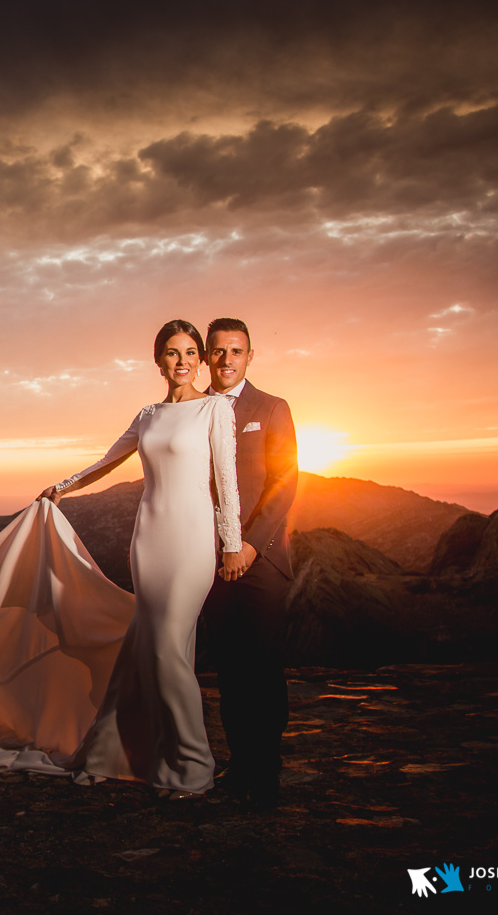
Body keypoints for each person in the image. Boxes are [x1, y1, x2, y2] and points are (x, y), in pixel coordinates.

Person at [0, 319, 242, 798]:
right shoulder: (147, 415)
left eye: (190, 352)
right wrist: (60, 488)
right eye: (172, 352)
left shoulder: (216, 410)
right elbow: (106, 461)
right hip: (149, 541)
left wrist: (231, 543)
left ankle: (193, 767)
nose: (182, 362)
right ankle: (122, 751)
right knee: (155, 647)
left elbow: (227, 484)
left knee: (166, 650)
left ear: (201, 359)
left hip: (193, 541)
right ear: (158, 360)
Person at [199, 317, 298, 809]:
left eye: (236, 351)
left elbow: (285, 483)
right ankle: (239, 765)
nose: (226, 360)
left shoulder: (273, 408)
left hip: (263, 559)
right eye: (218, 351)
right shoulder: (194, 410)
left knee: (262, 667)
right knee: (230, 671)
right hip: (211, 560)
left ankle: (267, 770)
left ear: (250, 356)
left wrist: (251, 546)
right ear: (207, 355)